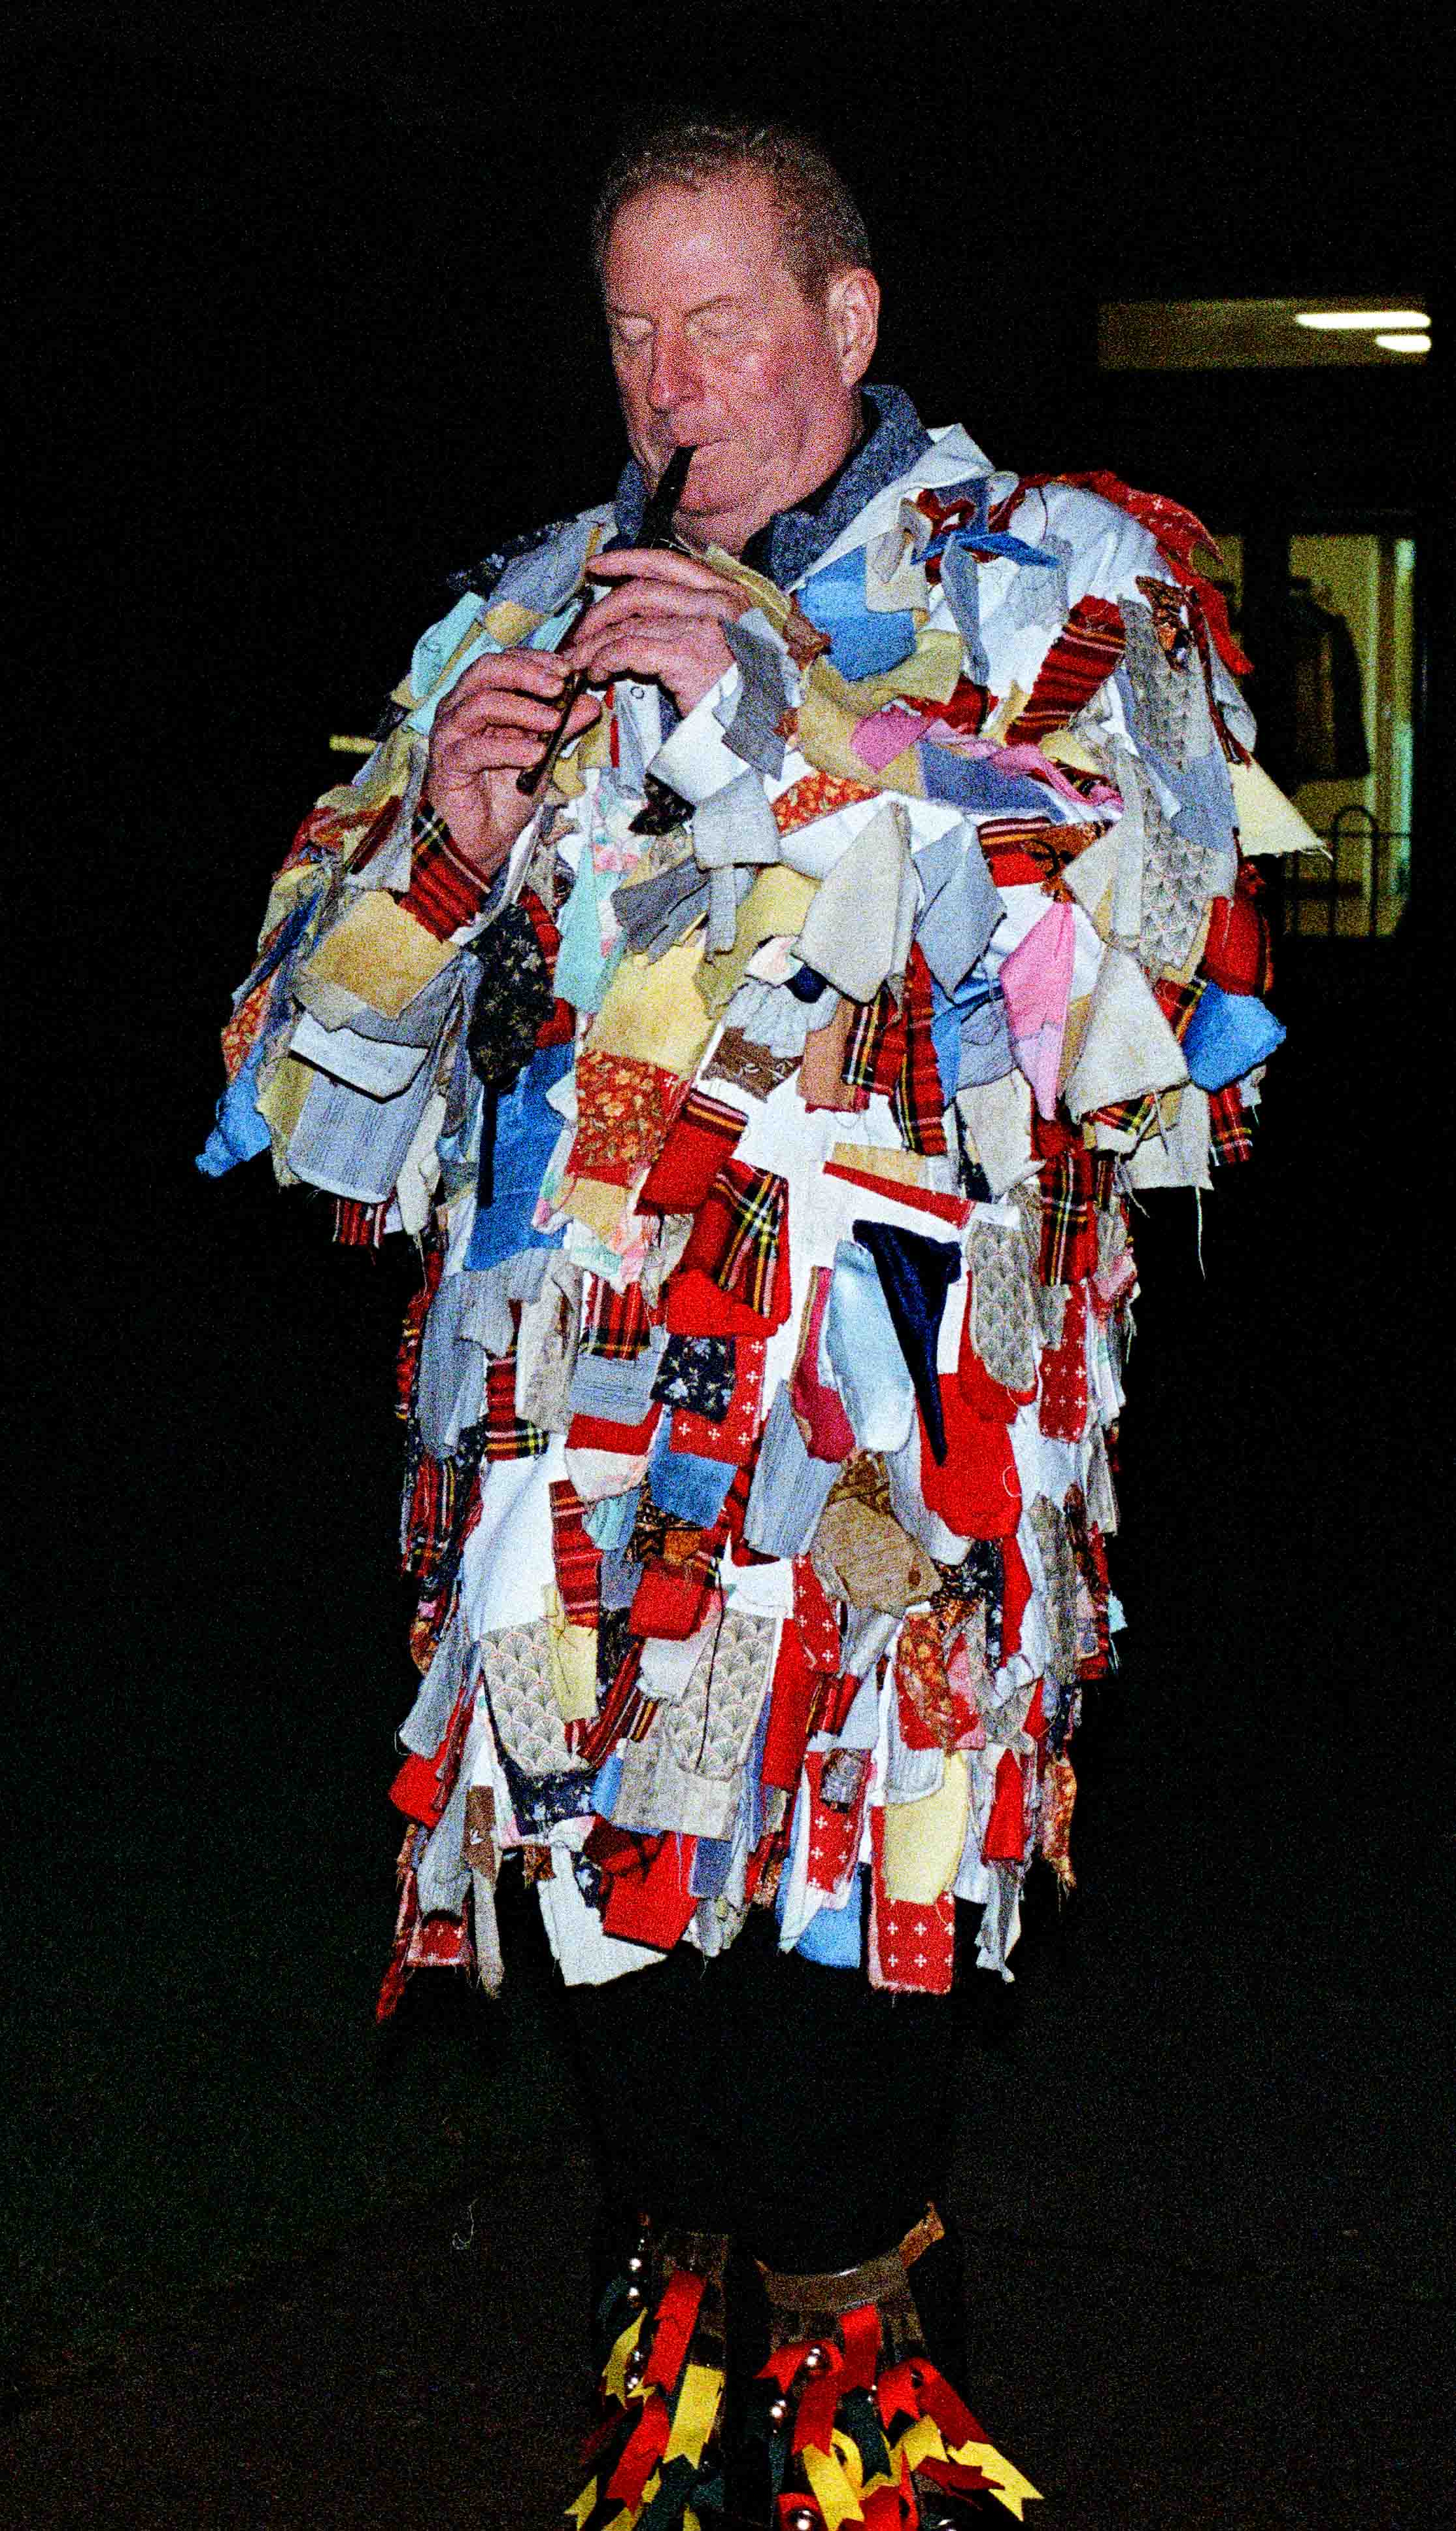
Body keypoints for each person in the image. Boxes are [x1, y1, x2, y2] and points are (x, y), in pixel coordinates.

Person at [203, 116, 1293, 2530]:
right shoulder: (525, 610)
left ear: (849, 321)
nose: (667, 375)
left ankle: (867, 2455)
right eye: (627, 326)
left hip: (883, 1477)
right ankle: (686, 2432)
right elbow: (318, 1115)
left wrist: (776, 726)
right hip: (569, 1490)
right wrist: (450, 866)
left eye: (717, 318)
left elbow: (1123, 995)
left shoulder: (1057, 580)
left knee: (827, 2012)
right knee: (642, 2018)